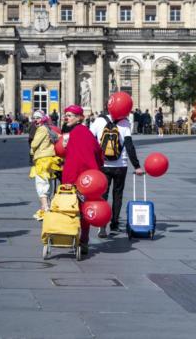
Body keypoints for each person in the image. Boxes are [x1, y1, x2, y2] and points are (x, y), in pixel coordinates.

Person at [90, 106, 143, 238]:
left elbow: (90, 142)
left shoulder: (98, 121)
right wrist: (137, 166)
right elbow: (129, 146)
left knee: (103, 194)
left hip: (103, 164)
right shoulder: (125, 123)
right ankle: (114, 223)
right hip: (121, 164)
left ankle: (102, 225)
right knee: (117, 195)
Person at [61, 105, 104, 254]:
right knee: (84, 209)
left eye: (71, 115)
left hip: (74, 178)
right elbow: (98, 152)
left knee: (71, 208)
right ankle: (83, 240)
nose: (67, 117)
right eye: (66, 115)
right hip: (88, 180)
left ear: (80, 118)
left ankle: (72, 238)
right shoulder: (85, 133)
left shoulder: (77, 133)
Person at [29, 111, 62, 221]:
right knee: (48, 183)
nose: (35, 120)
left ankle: (46, 208)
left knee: (41, 184)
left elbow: (34, 144)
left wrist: (32, 147)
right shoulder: (49, 128)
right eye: (34, 118)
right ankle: (46, 207)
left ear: (43, 118)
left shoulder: (42, 129)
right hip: (49, 159)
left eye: (38, 118)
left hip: (42, 159)